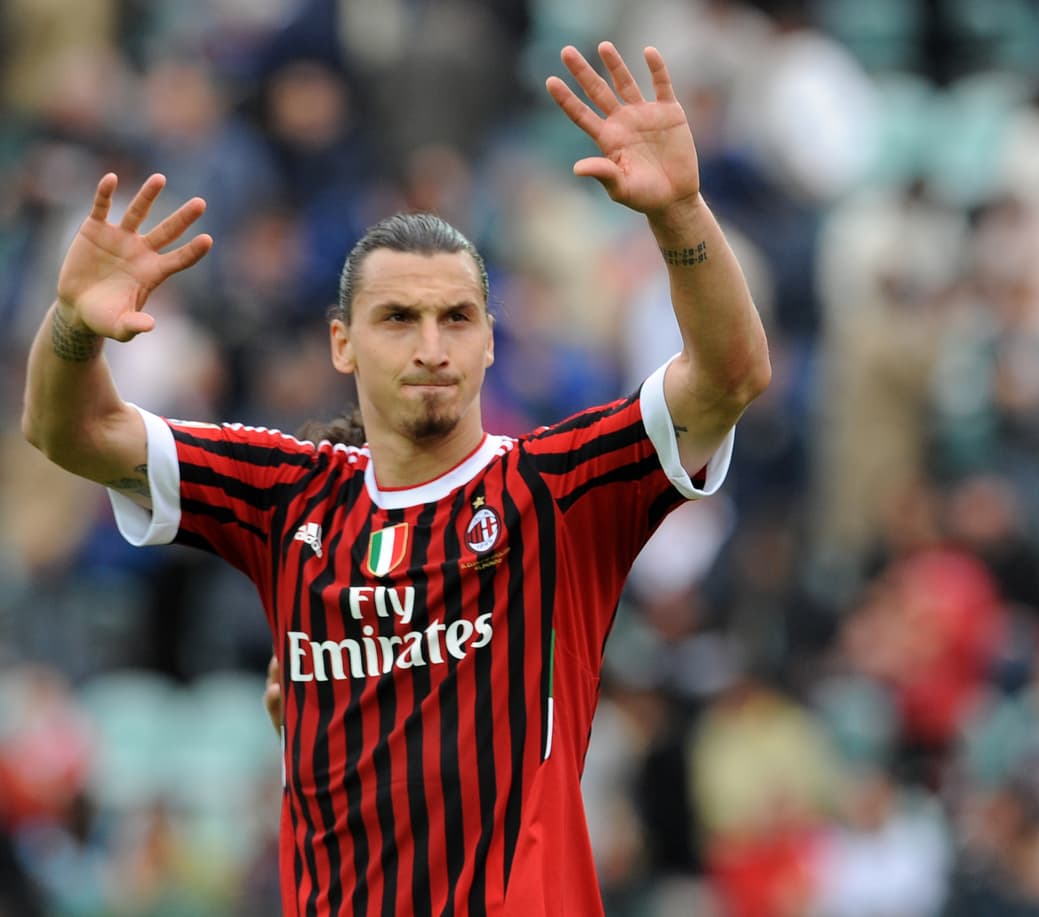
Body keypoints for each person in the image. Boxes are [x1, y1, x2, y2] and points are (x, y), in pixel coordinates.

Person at [22, 42, 770, 917]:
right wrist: (74, 324)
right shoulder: (287, 494)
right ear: (342, 342)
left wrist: (679, 210)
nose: (430, 346)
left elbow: (729, 377)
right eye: (397, 318)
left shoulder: (556, 495)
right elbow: (68, 428)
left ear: (491, 339)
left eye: (457, 317)